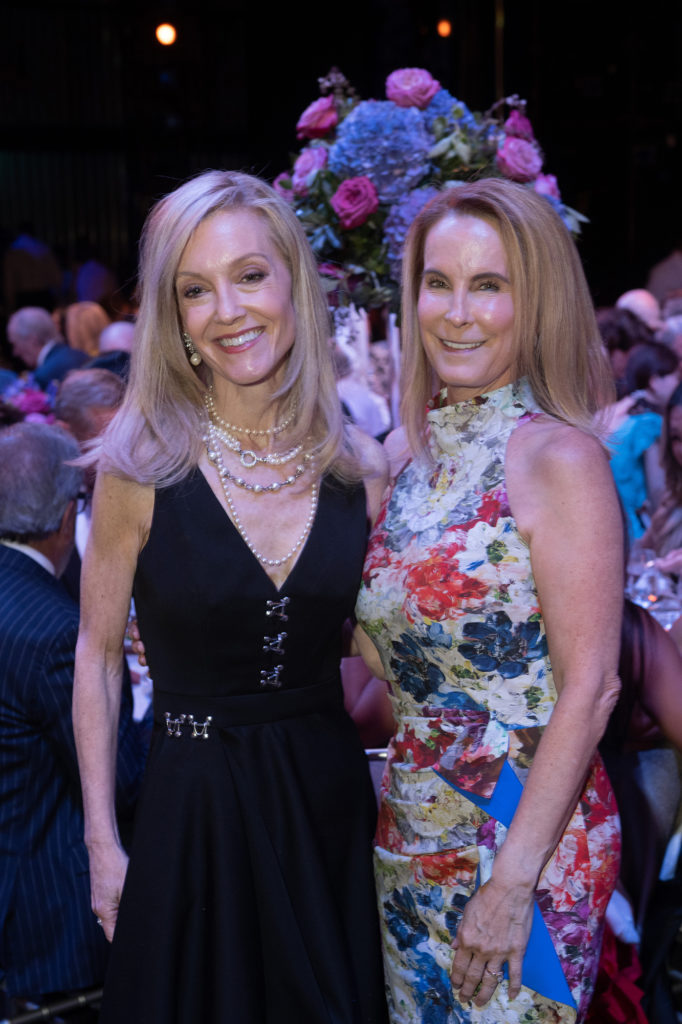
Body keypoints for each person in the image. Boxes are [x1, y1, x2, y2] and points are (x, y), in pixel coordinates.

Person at [72, 169, 389, 1023]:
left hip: (325, 811)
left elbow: (384, 650)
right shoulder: (139, 469)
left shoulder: (362, 468)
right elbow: (96, 657)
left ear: (293, 282)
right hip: (193, 817)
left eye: (249, 275)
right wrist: (102, 844)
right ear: (173, 318)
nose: (228, 310)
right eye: (194, 290)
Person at [354, 178, 624, 1022]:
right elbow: (381, 657)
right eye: (439, 283)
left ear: (534, 302)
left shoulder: (559, 459)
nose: (457, 313)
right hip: (411, 825)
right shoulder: (403, 459)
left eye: (489, 285)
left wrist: (511, 883)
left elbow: (592, 688)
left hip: (523, 837)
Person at [0, 422, 145, 1014]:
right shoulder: (54, 632)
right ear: (68, 517)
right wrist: (165, 690)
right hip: (49, 919)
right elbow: (125, 777)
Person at [604, 341, 680, 539]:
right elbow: (657, 491)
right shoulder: (649, 423)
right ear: (655, 381)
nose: (678, 384)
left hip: (611, 522)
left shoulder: (619, 410)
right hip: (635, 530)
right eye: (676, 377)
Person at [7, 305, 88, 389]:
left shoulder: (42, 378)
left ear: (32, 340)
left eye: (16, 344)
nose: (15, 352)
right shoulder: (81, 355)